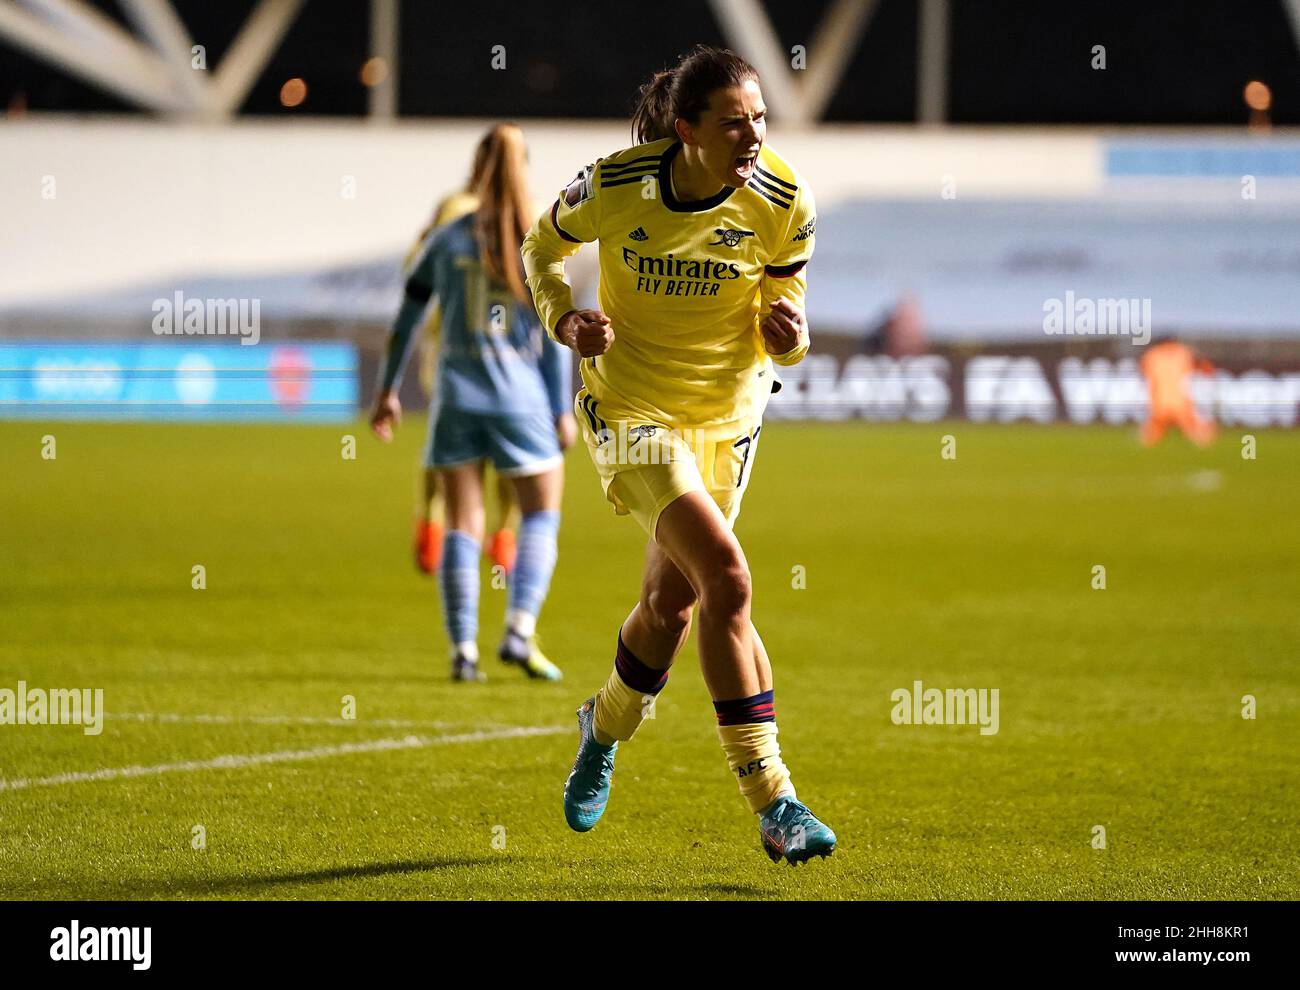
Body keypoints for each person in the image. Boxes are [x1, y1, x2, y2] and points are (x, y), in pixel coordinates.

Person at [522, 45, 836, 864]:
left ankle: (605, 724)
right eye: (734, 124)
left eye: (761, 121)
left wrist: (792, 337)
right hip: (630, 410)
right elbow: (539, 249)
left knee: (675, 606)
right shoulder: (617, 185)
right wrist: (565, 321)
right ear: (687, 129)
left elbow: (786, 309)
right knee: (728, 577)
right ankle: (776, 801)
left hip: (727, 418)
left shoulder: (785, 200)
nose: (753, 138)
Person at [373, 123, 574, 683]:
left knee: (462, 522)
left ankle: (463, 651)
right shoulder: (537, 244)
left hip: (456, 398)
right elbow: (555, 337)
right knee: (540, 514)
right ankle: (519, 629)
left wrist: (387, 391)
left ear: (476, 171)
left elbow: (406, 321)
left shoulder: (447, 238)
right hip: (522, 401)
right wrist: (561, 409)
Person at [408, 132, 520, 576]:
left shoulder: (523, 214)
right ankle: (432, 523)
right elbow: (418, 269)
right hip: (451, 345)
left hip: (506, 347)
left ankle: (504, 533)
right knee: (451, 440)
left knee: (509, 447)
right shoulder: (453, 208)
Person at [1139, 337, 1216, 446]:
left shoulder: (1153, 354)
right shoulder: (1181, 353)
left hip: (1165, 400)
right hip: (1174, 400)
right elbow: (1203, 366)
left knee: (1156, 430)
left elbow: (1146, 377)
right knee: (1192, 428)